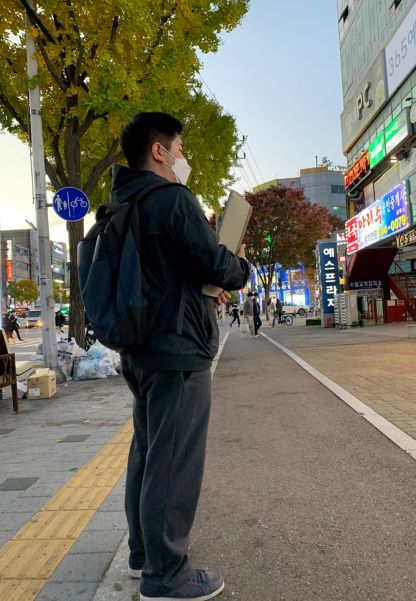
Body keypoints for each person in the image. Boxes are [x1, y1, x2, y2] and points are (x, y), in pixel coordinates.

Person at [116, 112, 249, 601]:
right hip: (177, 350)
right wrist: (241, 267)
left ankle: (141, 555)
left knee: (148, 453)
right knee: (173, 460)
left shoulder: (124, 201)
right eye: (178, 147)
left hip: (140, 350)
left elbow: (168, 274)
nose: (181, 157)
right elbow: (215, 263)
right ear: (159, 151)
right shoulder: (172, 199)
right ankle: (166, 574)